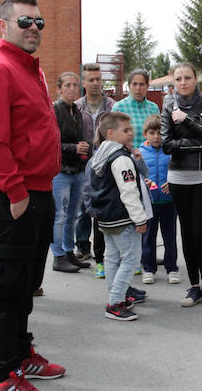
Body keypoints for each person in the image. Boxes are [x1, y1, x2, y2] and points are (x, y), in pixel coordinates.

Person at [0, 0, 65, 391]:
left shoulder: (32, 72)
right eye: (25, 22)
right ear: (3, 26)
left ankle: (22, 354)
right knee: (8, 288)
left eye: (39, 23)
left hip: (38, 192)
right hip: (11, 197)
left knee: (27, 285)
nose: (33, 29)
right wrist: (16, 192)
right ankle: (3, 376)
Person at [161, 62, 202, 308]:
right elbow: (166, 144)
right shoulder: (168, 106)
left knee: (200, 230)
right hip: (179, 176)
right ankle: (194, 286)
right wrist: (200, 139)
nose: (183, 82)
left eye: (187, 77)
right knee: (186, 231)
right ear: (174, 82)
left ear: (196, 79)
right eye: (179, 79)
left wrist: (187, 121)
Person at [83, 112, 151, 321]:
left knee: (112, 258)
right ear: (111, 133)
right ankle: (114, 303)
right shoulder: (121, 158)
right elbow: (129, 191)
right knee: (130, 260)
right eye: (126, 130)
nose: (132, 133)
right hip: (123, 218)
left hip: (106, 217)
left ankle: (117, 295)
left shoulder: (100, 155)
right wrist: (140, 219)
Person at [74, 62, 116, 277]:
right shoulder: (76, 106)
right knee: (83, 208)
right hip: (82, 165)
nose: (95, 83)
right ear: (84, 82)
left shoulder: (112, 106)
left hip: (107, 166)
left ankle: (108, 250)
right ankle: (83, 245)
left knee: (103, 208)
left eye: (98, 79)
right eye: (91, 80)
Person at [50, 71, 93, 273]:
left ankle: (68, 251)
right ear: (58, 89)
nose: (72, 89)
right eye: (67, 85)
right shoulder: (54, 111)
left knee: (72, 216)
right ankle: (58, 255)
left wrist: (84, 147)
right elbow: (51, 143)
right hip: (60, 170)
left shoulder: (77, 111)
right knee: (59, 215)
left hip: (77, 169)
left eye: (75, 85)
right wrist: (73, 148)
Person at [139, 115, 180, 284]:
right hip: (149, 203)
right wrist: (144, 182)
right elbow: (136, 175)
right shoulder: (139, 153)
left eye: (160, 132)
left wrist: (172, 183)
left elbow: (179, 171)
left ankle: (172, 268)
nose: (157, 136)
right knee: (148, 237)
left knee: (170, 236)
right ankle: (148, 268)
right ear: (145, 134)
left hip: (170, 202)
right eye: (152, 132)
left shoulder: (171, 151)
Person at [113, 69, 160, 147]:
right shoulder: (119, 108)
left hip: (150, 157)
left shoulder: (154, 108)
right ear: (129, 86)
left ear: (147, 86)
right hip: (127, 156)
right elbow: (113, 138)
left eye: (142, 84)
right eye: (134, 84)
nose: (138, 88)